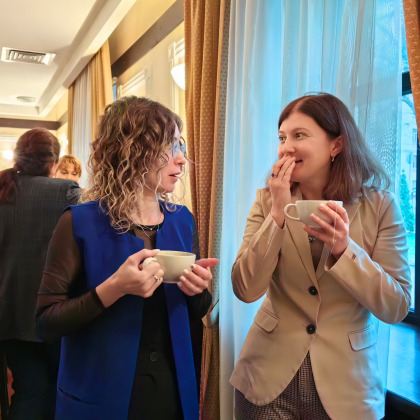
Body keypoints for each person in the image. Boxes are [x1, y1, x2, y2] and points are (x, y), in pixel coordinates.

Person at [230, 93, 411, 420]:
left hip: (347, 387)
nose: (286, 147)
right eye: (282, 138)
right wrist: (277, 214)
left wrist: (344, 250)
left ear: (336, 145)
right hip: (267, 377)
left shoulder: (381, 206)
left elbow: (396, 306)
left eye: (299, 135)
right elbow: (245, 288)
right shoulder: (267, 201)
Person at [36, 96, 217, 420]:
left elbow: (197, 310)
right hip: (98, 399)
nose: (182, 160)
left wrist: (198, 290)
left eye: (180, 146)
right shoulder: (79, 222)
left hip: (171, 395)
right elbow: (45, 323)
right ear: (132, 151)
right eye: (170, 147)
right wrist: (114, 289)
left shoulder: (182, 220)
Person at [0, 128, 82, 420]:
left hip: (8, 316)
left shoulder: (3, 191)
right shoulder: (67, 192)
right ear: (53, 163)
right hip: (55, 312)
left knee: (29, 391)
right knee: (59, 391)